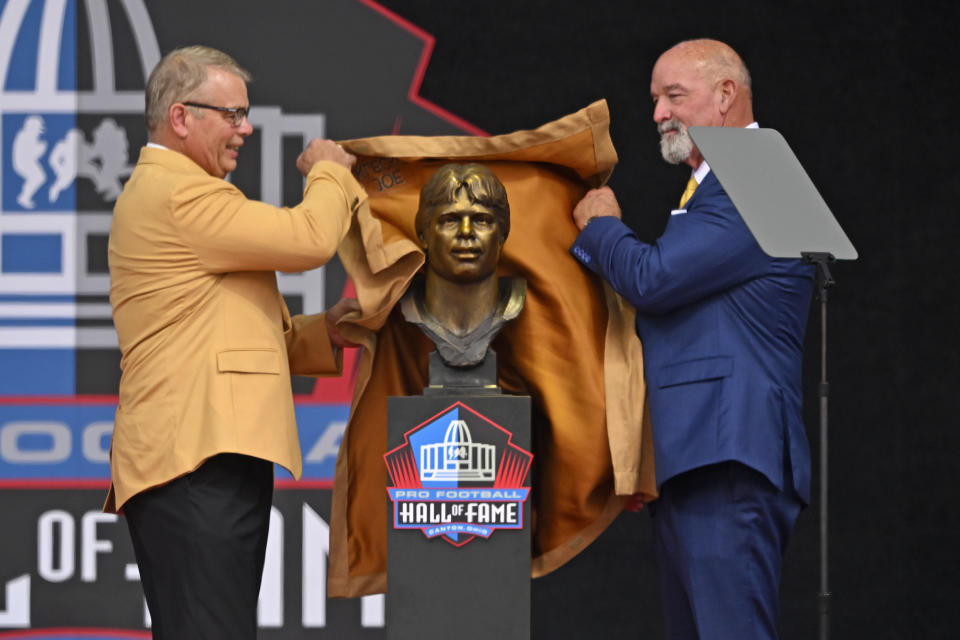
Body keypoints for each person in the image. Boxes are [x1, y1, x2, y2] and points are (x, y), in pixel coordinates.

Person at [105, 45, 365, 639]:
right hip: (195, 462)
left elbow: (238, 343)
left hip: (203, 460)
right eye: (232, 114)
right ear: (180, 118)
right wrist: (330, 170)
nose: (245, 128)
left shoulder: (179, 197)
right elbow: (309, 239)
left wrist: (326, 332)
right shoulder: (179, 194)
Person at [569, 39, 814, 639]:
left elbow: (653, 280)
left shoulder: (755, 176)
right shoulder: (718, 186)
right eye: (655, 99)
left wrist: (601, 228)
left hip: (727, 452)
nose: (657, 114)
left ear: (726, 95)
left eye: (673, 95)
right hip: (696, 454)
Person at [400, 163, 525, 368]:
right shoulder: (405, 302)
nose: (466, 231)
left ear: (502, 236)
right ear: (424, 235)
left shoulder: (516, 302)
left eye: (481, 220)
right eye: (450, 220)